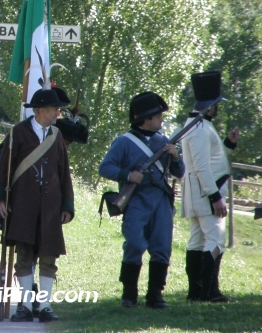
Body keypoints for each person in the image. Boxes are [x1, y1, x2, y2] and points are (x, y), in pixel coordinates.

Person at [0, 87, 74, 323]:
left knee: (49, 256)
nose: (57, 113)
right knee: (25, 255)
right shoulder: (18, 133)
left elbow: (63, 173)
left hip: (50, 206)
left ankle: (45, 305)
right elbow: (4, 168)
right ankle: (26, 305)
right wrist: (0, 198)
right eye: (54, 110)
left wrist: (67, 205)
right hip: (23, 203)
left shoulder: (56, 135)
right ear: (41, 110)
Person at [99, 92, 185, 309]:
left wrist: (175, 157)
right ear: (145, 119)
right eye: (158, 117)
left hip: (161, 201)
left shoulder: (164, 142)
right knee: (135, 244)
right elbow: (106, 167)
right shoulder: (123, 142)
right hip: (136, 200)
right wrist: (127, 175)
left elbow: (179, 172)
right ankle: (129, 293)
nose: (162, 120)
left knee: (162, 247)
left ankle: (155, 294)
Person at [181, 71, 239, 303]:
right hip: (206, 193)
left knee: (197, 241)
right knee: (215, 240)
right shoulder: (200, 129)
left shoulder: (198, 126)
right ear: (210, 105)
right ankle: (208, 291)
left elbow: (210, 159)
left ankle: (196, 292)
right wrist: (215, 197)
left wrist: (228, 144)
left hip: (198, 192)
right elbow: (202, 167)